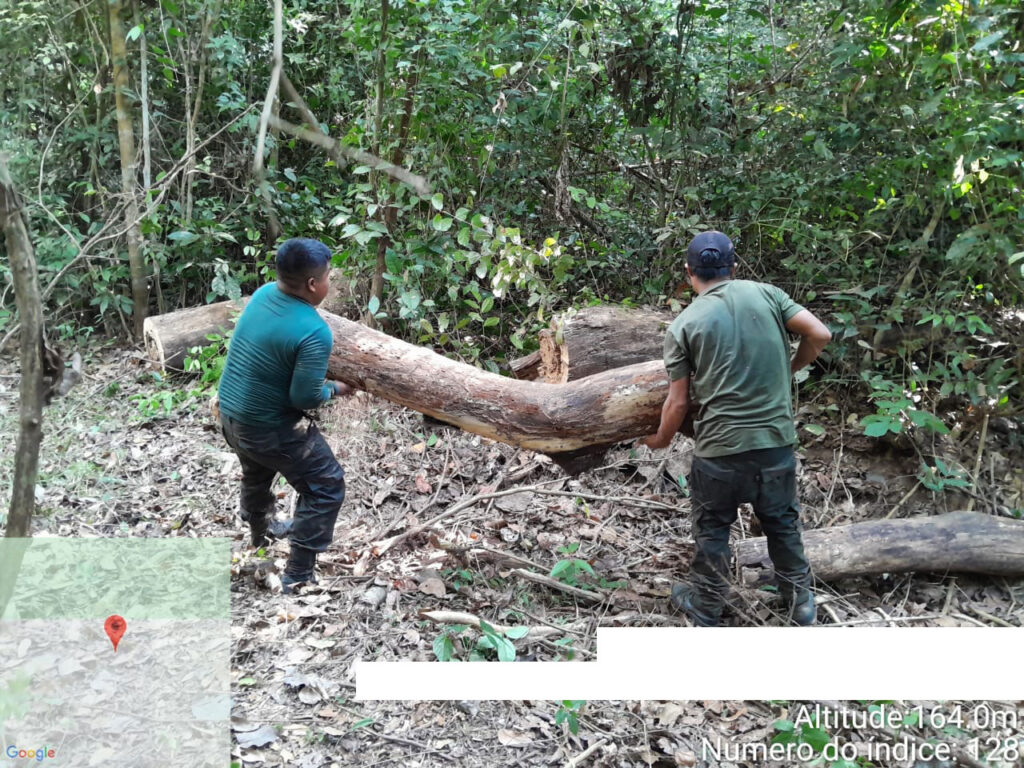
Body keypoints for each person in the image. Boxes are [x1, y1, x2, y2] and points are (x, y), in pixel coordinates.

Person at [641, 231, 831, 626]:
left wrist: (659, 439)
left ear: (689, 272)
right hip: (774, 446)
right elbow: (820, 333)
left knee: (712, 530)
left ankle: (707, 605)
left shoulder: (684, 324)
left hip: (720, 453)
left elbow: (677, 402)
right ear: (735, 267)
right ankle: (800, 602)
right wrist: (791, 366)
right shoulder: (768, 295)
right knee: (782, 524)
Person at [217, 237, 353, 593]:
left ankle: (259, 536)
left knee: (257, 472)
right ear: (312, 284)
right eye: (328, 277)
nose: (329, 282)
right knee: (325, 485)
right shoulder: (313, 331)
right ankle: (297, 574)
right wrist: (337, 389)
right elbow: (304, 396)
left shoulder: (263, 294)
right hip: (267, 427)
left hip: (231, 417)